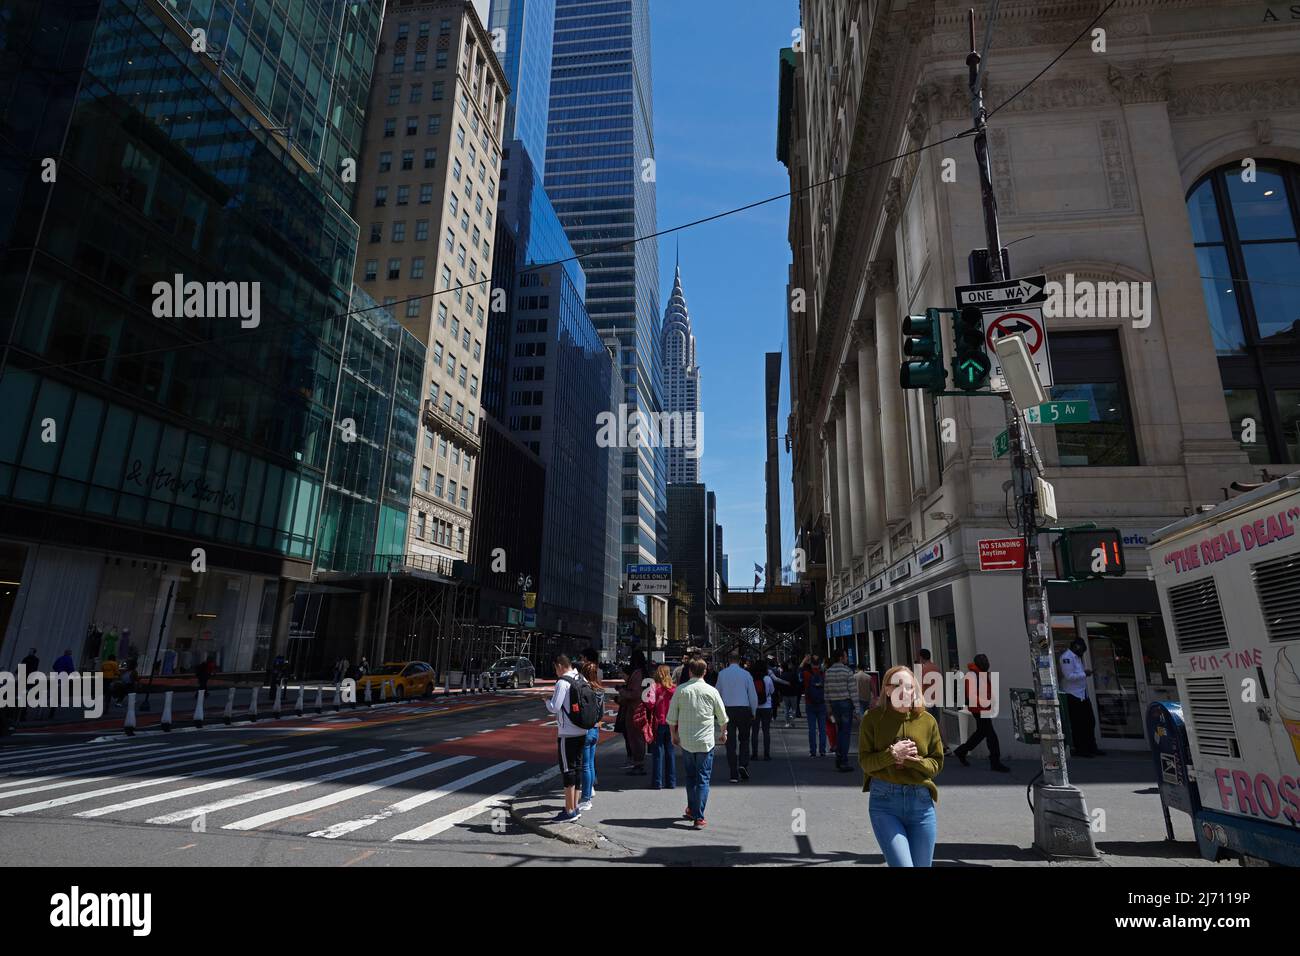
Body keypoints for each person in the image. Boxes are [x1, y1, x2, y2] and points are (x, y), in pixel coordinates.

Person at [860, 665, 945, 867]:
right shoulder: (872, 719)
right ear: (887, 690)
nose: (904, 691)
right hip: (885, 803)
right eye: (897, 685)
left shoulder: (927, 720)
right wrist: (891, 755)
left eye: (909, 686)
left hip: (921, 804)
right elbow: (865, 763)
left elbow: (936, 764)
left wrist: (912, 761)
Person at [667, 658, 728, 829]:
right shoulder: (712, 691)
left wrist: (674, 736)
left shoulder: (681, 690)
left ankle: (691, 808)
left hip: (686, 740)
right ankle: (699, 816)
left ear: (690, 672)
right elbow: (723, 717)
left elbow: (671, 718)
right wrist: (723, 734)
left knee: (690, 777)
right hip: (706, 741)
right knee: (703, 779)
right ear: (705, 672)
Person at [544, 654, 589, 822]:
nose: (555, 672)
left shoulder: (563, 682)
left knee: (567, 770)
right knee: (577, 768)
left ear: (560, 665)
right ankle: (575, 807)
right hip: (581, 730)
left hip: (567, 732)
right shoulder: (580, 677)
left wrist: (546, 701)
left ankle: (569, 810)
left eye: (555, 668)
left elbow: (555, 707)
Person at [953, 653, 1010, 772]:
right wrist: (987, 702)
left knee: (981, 732)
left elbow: (988, 690)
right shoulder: (973, 675)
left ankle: (961, 751)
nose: (987, 663)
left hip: (982, 708)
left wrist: (992, 702)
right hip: (978, 709)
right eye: (984, 661)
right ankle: (995, 762)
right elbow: (971, 695)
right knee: (991, 736)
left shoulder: (980, 674)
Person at [715, 650, 757, 783]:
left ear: (728, 660)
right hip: (744, 709)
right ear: (739, 661)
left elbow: (717, 693)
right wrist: (754, 710)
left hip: (727, 710)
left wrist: (717, 712)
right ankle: (743, 764)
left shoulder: (722, 674)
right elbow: (752, 694)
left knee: (730, 742)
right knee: (744, 739)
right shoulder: (746, 674)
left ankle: (733, 773)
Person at [1060, 638, 1104, 757]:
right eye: (1082, 651)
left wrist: (1084, 672)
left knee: (1090, 721)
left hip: (1082, 694)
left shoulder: (1077, 657)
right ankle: (1081, 749)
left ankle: (1091, 747)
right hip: (1073, 695)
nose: (1082, 654)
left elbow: (1076, 673)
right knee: (1078, 724)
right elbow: (1069, 676)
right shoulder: (1067, 657)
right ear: (1076, 647)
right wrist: (1085, 674)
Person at [577, 648, 604, 811]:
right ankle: (591, 789)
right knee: (591, 762)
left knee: (585, 765)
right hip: (596, 729)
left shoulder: (584, 691)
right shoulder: (599, 691)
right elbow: (600, 713)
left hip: (586, 729)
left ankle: (586, 797)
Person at [826, 649, 859, 772]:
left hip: (834, 705)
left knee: (839, 730)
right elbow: (853, 691)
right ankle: (843, 759)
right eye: (845, 656)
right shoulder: (847, 671)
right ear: (841, 658)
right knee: (845, 733)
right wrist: (857, 709)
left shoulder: (828, 672)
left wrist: (828, 707)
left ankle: (839, 755)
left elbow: (826, 691)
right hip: (846, 704)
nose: (846, 658)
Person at [618, 650, 651, 774]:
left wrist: (622, 692)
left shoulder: (637, 673)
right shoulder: (645, 672)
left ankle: (638, 764)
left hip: (634, 709)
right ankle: (639, 763)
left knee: (635, 737)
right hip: (642, 707)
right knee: (639, 737)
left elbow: (635, 693)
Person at [648, 664, 677, 789]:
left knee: (657, 754)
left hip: (658, 723)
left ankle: (657, 782)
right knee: (670, 753)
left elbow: (650, 704)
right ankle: (671, 782)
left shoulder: (654, 687)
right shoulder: (674, 689)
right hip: (671, 723)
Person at [749, 660, 776, 761]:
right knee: (766, 731)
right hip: (766, 707)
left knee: (754, 732)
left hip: (755, 708)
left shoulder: (752, 678)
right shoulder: (768, 679)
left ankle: (754, 754)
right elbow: (772, 691)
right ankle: (766, 754)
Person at [803, 655, 828, 757]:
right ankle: (822, 750)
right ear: (820, 663)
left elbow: (798, 675)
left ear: (811, 663)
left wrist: (804, 661)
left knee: (812, 729)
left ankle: (813, 751)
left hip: (810, 703)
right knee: (822, 728)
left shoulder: (806, 674)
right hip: (822, 704)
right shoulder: (824, 674)